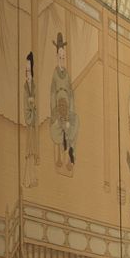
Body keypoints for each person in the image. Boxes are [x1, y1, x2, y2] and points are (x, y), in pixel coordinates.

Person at [48, 32, 79, 172]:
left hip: (67, 108)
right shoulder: (55, 75)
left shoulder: (67, 75)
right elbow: (52, 94)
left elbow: (71, 95)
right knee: (58, 125)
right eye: (60, 57)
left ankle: (71, 158)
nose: (62, 59)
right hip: (57, 109)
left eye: (63, 57)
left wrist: (70, 112)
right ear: (56, 58)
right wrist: (55, 112)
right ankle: (59, 157)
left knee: (74, 123)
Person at [21, 51, 40, 188]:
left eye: (29, 71)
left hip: (33, 122)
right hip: (29, 122)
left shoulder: (34, 86)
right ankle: (27, 179)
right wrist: (30, 105)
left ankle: (32, 178)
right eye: (26, 71)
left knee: (33, 148)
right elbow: (25, 104)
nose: (27, 74)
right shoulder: (25, 87)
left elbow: (36, 104)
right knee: (28, 149)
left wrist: (33, 105)